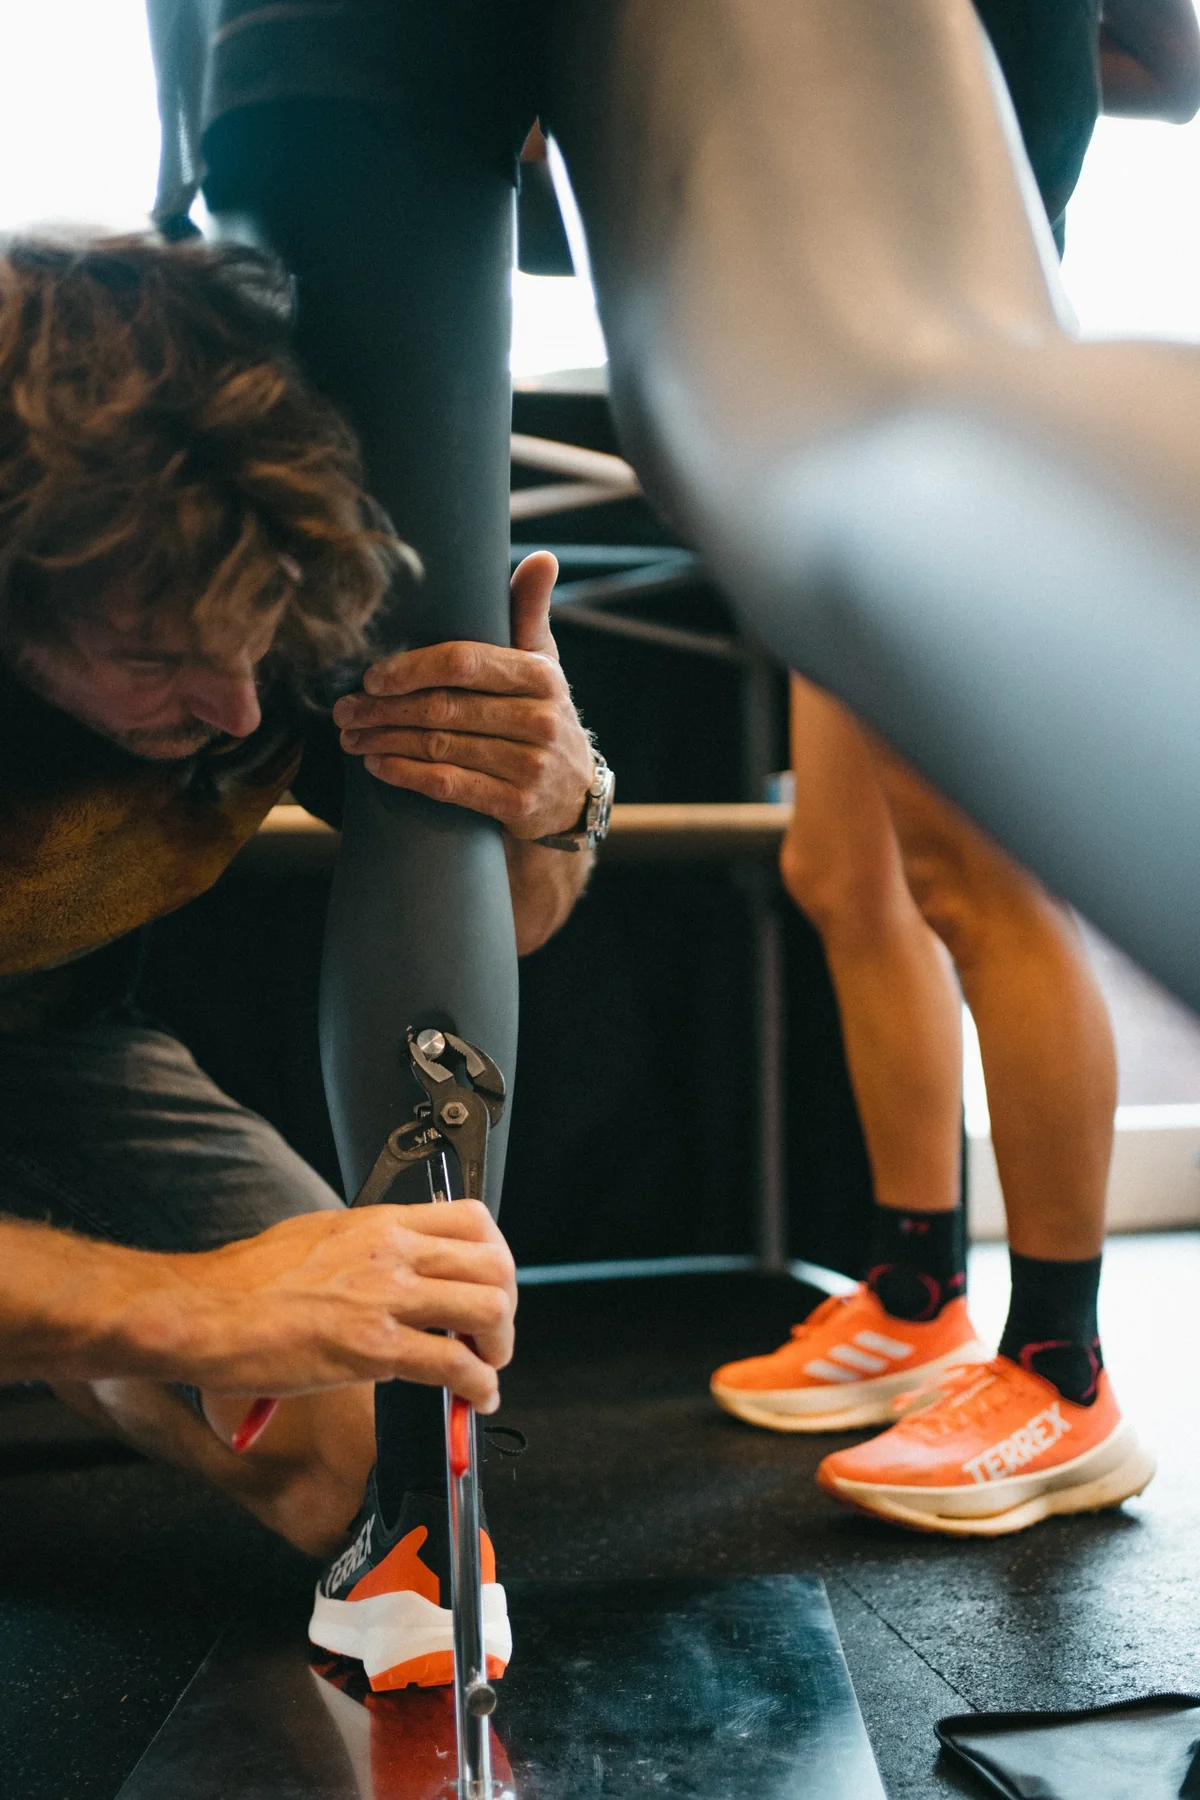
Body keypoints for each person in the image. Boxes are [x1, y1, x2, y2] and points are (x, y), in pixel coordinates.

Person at [0, 232, 596, 1686]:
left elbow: (519, 919)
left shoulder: (264, 617)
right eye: (155, 660)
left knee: (361, 1435)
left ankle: (68, 1330)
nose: (231, 706)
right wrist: (190, 1304)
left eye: (249, 644)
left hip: (54, 1055)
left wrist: (553, 796)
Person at [712, 3, 1199, 1535]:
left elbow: (1170, 66)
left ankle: (1061, 1372)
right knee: (839, 870)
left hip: (944, 363)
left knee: (976, 879)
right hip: (824, 376)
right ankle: (917, 1294)